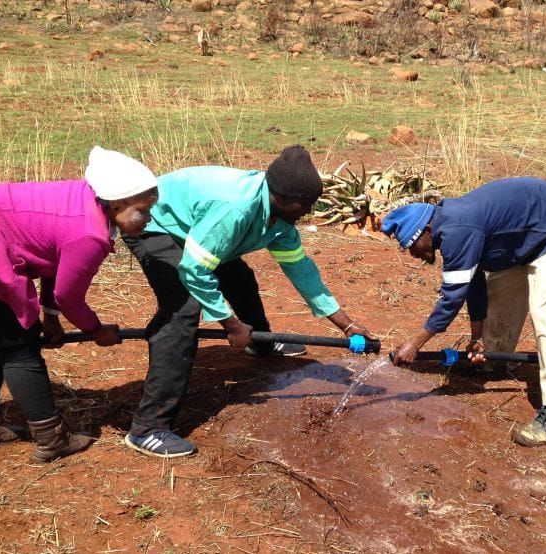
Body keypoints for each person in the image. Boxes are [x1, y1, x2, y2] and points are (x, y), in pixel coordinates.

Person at [0, 146, 159, 463]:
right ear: (116, 202)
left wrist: (50, 316)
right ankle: (52, 439)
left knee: (0, 333)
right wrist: (95, 329)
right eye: (142, 211)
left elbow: (54, 260)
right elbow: (69, 297)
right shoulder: (89, 234)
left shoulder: (86, 199)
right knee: (18, 341)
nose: (147, 219)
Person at [122, 145, 373, 458]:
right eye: (305, 204)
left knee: (239, 278)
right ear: (281, 197)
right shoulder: (236, 209)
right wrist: (231, 324)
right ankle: (147, 428)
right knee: (183, 309)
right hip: (158, 225)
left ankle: (261, 343)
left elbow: (300, 269)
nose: (309, 212)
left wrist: (345, 324)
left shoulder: (281, 220)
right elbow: (194, 269)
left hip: (201, 228)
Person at [382, 177, 546, 447]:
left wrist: (415, 343)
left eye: (412, 247)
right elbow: (473, 282)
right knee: (499, 292)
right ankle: (492, 358)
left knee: (544, 313)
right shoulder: (449, 225)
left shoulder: (457, 229)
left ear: (425, 231)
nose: (414, 255)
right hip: (527, 236)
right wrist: (477, 338)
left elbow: (452, 298)